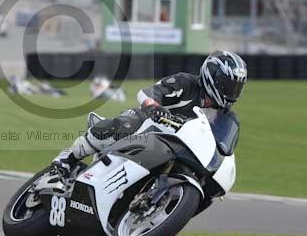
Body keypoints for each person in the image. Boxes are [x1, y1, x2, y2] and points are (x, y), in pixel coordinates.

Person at [53, 51, 248, 173]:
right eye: (227, 85)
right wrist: (154, 107)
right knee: (124, 124)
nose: (231, 92)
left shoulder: (225, 117)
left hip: (176, 149)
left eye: (236, 88)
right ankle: (67, 158)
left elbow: (223, 149)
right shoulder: (186, 83)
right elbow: (149, 92)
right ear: (211, 77)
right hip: (148, 125)